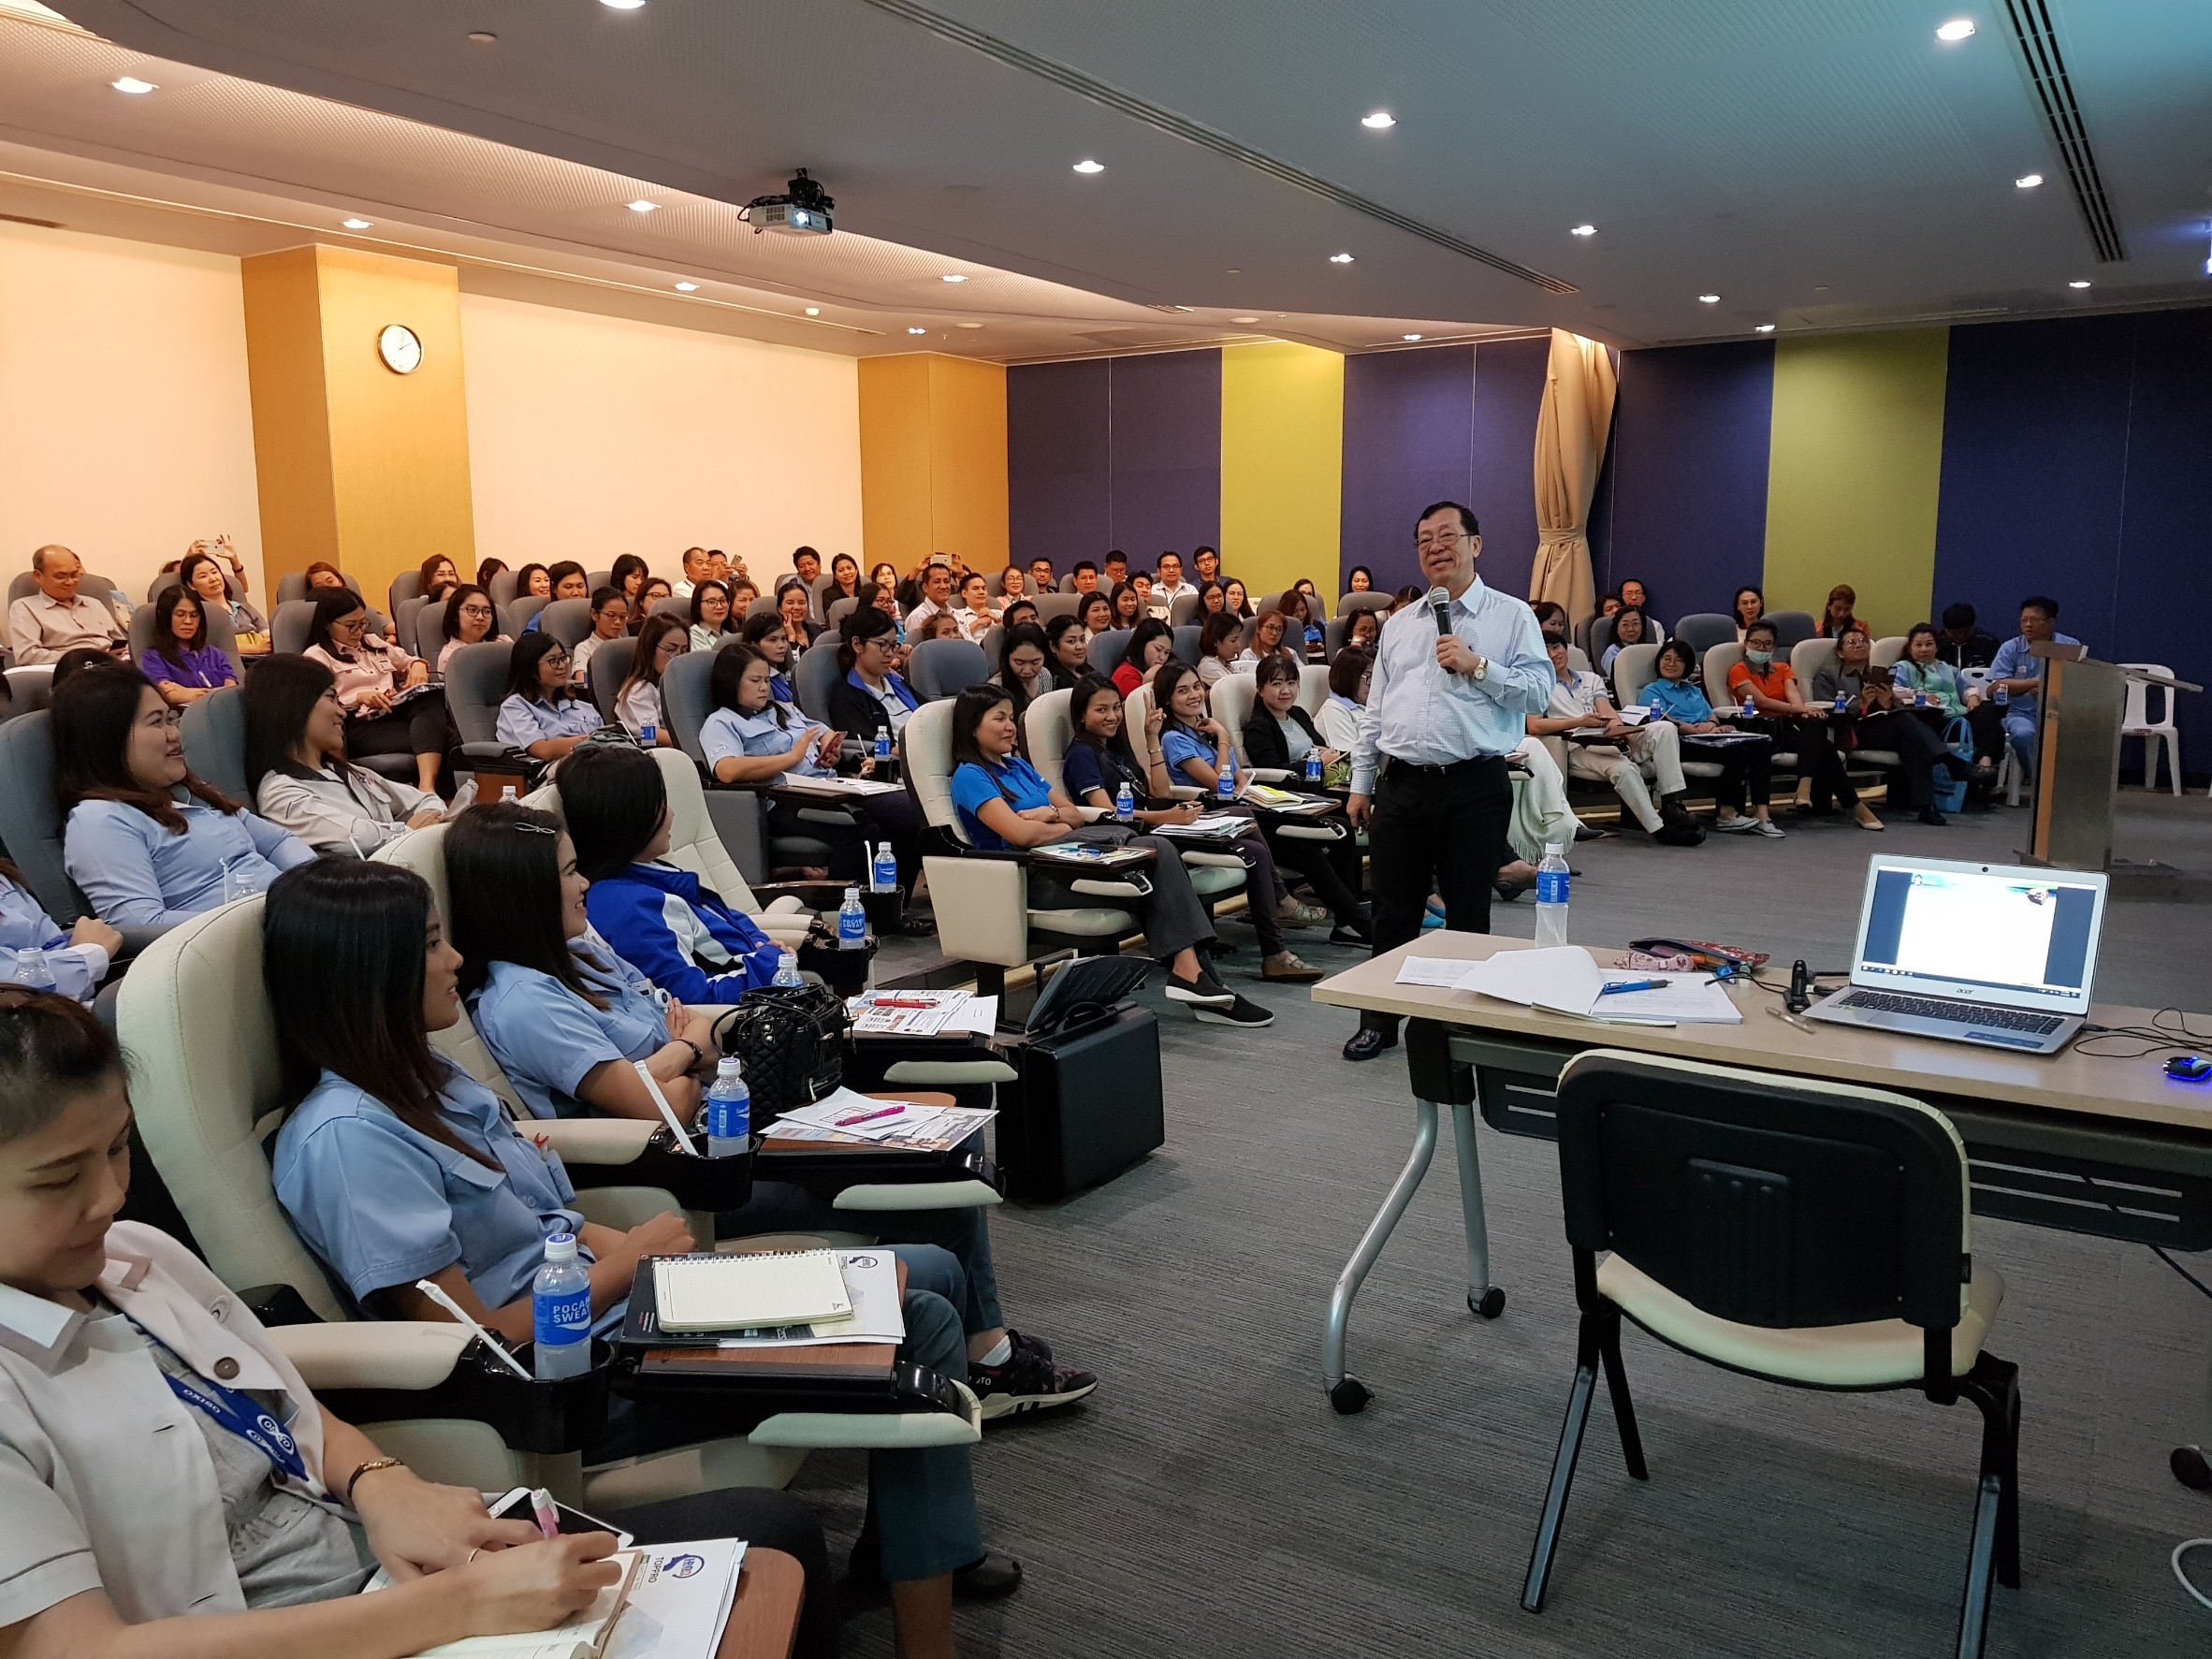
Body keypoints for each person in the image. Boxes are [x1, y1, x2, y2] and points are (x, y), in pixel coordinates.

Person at [0, 987, 842, 1659]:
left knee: (769, 1550)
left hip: (381, 1569)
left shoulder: (137, 1254)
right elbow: (80, 1647)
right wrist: (459, 1604)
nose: (108, 1195)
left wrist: (382, 1483)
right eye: (59, 1177)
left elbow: (294, 1410)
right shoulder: (346, 1136)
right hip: (305, 1626)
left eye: (116, 1151)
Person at [1344, 502, 1550, 1063]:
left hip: (1474, 784)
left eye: (1447, 536)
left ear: (1475, 545)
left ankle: (1460, 1023)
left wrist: (1478, 666)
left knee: (1466, 912)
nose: (1436, 547)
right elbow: (1375, 711)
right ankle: (1380, 1019)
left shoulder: (1510, 617)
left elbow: (1536, 693)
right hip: (1403, 784)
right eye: (1424, 539)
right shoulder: (1400, 625)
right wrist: (1362, 783)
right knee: (1393, 909)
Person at [951, 684, 1274, 1021]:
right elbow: (1019, 834)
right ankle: (1200, 984)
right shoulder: (971, 776)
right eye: (998, 718)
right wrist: (1058, 824)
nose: (1009, 726)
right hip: (1031, 876)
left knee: (1158, 859)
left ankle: (1198, 980)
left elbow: (1074, 815)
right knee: (1160, 857)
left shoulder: (1018, 768)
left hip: (1076, 859)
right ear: (973, 727)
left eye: (1010, 718)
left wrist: (1050, 817)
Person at [442, 803, 717, 1124]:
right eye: (571, 871)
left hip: (719, 1109)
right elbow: (671, 1108)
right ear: (530, 890)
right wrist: (694, 1055)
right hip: (676, 1155)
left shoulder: (583, 955)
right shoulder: (527, 1004)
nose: (585, 883)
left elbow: (707, 1031)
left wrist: (678, 1057)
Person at [55, 662, 313, 929]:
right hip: (239, 943)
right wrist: (265, 917)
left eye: (171, 719)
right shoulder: (100, 818)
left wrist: (314, 888)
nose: (175, 734)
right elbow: (137, 923)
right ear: (107, 739)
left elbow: (278, 842)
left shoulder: (189, 791)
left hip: (289, 916)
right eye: (157, 722)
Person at [559, 746, 781, 1000]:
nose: (672, 814)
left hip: (762, 987)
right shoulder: (626, 908)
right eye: (661, 805)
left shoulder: (646, 871)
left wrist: (765, 948)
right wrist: (773, 963)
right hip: (747, 1020)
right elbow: (692, 999)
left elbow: (728, 918)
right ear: (632, 818)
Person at [705, 644, 922, 891]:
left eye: (766, 679)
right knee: (863, 831)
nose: (764, 687)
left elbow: (824, 732)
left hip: (828, 787)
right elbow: (727, 770)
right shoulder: (721, 722)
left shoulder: (783, 709)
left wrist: (830, 750)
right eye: (755, 680)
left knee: (910, 813)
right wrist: (791, 757)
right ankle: (853, 913)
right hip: (785, 801)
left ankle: (895, 909)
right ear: (731, 682)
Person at [246, 655, 444, 855]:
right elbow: (358, 838)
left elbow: (425, 800)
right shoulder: (281, 792)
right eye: (331, 698)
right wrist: (410, 832)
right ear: (294, 704)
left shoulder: (349, 772)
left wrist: (427, 821)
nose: (342, 712)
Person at [1530, 633, 1703, 844]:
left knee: (1664, 728)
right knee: (1623, 768)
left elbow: (1607, 710)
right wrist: (1579, 721)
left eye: (1556, 647)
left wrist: (1619, 731)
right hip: (1576, 745)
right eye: (1545, 651)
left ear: (1565, 649)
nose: (1553, 654)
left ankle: (1671, 802)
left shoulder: (1590, 679)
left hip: (1607, 738)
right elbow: (1534, 725)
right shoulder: (1538, 685)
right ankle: (1658, 829)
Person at [1726, 618, 1877, 828]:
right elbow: (1761, 700)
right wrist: (1801, 710)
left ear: (1774, 647)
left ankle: (1806, 786)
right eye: (1756, 643)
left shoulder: (1782, 668)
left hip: (1786, 726)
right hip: (1760, 729)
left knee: (1815, 725)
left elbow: (1793, 695)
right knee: (1825, 748)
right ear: (1746, 644)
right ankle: (1854, 806)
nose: (1762, 648)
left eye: (1767, 644)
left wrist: (1804, 712)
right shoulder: (1738, 670)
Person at [1812, 624, 1962, 826]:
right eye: (1851, 642)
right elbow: (1826, 712)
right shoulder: (1828, 675)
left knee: (1909, 736)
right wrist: (1861, 704)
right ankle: (1950, 762)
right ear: (1840, 652)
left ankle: (1927, 807)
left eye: (1863, 641)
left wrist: (1888, 702)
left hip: (1883, 728)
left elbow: (1899, 708)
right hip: (1851, 731)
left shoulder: (1880, 675)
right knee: (1906, 724)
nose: (1859, 645)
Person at [301, 589, 448, 794]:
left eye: (363, 623)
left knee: (430, 699)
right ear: (327, 624)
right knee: (445, 738)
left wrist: (418, 666)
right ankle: (433, 794)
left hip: (393, 712)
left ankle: (427, 789)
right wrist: (357, 698)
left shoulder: (373, 643)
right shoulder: (317, 656)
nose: (358, 631)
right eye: (350, 626)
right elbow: (317, 704)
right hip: (355, 724)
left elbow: (409, 660)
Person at [1639, 639, 1782, 836]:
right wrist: (1695, 729)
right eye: (1667, 659)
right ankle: (1727, 813)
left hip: (1706, 737)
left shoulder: (1694, 690)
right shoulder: (1652, 690)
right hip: (1678, 742)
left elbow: (1711, 714)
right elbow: (1661, 720)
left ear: (1687, 665)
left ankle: (1762, 813)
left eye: (1678, 660)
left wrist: (1712, 725)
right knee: (1737, 751)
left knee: (1761, 745)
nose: (1671, 664)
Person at [1986, 594, 2081, 779]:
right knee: (2022, 734)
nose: (2028, 625)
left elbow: (2079, 683)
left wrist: (2050, 688)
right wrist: (2034, 683)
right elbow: (1998, 684)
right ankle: (2041, 782)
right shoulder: (2010, 648)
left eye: (2034, 620)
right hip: (2021, 713)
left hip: (2062, 712)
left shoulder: (2069, 646)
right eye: (2024, 620)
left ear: (2050, 622)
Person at [0, 862, 118, 1001]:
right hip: (32, 1015)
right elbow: (16, 990)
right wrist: (89, 952)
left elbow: (47, 941)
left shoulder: (4, 880)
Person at [9, 545, 125, 664]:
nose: (70, 582)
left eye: (75, 575)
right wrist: (88, 657)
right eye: (61, 576)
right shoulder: (24, 608)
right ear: (38, 576)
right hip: (73, 669)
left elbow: (121, 643)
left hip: (114, 666)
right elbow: (27, 657)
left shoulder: (95, 604)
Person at [493, 633, 599, 763]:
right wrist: (591, 742)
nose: (562, 666)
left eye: (563, 658)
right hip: (554, 772)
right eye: (553, 661)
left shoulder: (582, 706)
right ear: (531, 669)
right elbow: (542, 751)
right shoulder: (515, 706)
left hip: (595, 764)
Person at [139, 585, 237, 707]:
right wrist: (216, 692)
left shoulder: (216, 654)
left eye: (194, 615)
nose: (188, 621)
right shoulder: (153, 657)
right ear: (165, 617)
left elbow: (231, 689)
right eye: (180, 615)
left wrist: (188, 692)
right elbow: (169, 694)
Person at [610, 612, 687, 746]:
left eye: (684, 650)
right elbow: (651, 734)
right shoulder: (638, 690)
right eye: (671, 650)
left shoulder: (680, 686)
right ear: (650, 649)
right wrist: (694, 741)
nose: (678, 657)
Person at [179, 544, 269, 652]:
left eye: (214, 572)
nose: (213, 578)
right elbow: (211, 645)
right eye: (203, 576)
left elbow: (267, 634)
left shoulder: (245, 608)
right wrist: (255, 649)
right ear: (191, 585)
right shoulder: (199, 614)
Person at [993, 621, 1051, 741]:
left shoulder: (1045, 675)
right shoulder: (996, 687)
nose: (1027, 670)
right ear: (1007, 658)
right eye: (1019, 662)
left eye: (1035, 662)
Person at [435, 585, 508, 673]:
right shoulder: (450, 658)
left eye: (487, 611)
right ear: (455, 614)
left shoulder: (504, 643)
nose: (480, 617)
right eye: (472, 610)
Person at [568, 589, 628, 685]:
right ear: (594, 615)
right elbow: (583, 684)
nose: (618, 622)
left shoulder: (629, 647)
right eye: (611, 615)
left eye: (622, 617)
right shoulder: (585, 649)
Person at [1318, 647, 1369, 752]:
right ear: (1349, 677)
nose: (1374, 684)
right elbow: (1349, 756)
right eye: (1369, 677)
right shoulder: (1333, 710)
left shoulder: (1370, 705)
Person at [1111, 618, 1173, 697]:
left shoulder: (1168, 665)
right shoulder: (1125, 676)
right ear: (1142, 645)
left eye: (1167, 652)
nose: (1162, 657)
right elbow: (1138, 708)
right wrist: (1147, 685)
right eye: (1158, 649)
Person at [1937, 601, 2001, 671]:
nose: (1961, 636)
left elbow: (1996, 673)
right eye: (1955, 633)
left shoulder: (1989, 642)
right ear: (1946, 630)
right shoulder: (1936, 643)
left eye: (1967, 632)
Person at [1232, 606, 1297, 675]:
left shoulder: (1291, 653)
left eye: (1279, 629)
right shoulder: (1249, 655)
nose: (1275, 633)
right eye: (1271, 628)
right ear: (1259, 629)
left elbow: (1303, 675)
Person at [686, 578, 736, 653]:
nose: (719, 606)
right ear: (698, 606)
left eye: (723, 601)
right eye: (711, 602)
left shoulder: (730, 636)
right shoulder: (693, 635)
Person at [1599, 604, 1653, 673]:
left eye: (1635, 623)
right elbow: (1617, 678)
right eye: (1625, 625)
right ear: (1616, 629)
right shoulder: (1613, 651)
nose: (1631, 629)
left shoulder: (1649, 650)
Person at [905, 562, 956, 634]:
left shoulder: (958, 615)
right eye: (937, 582)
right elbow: (918, 645)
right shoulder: (917, 617)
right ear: (925, 587)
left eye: (946, 581)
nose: (944, 586)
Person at [1197, 611, 1244, 688]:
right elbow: (1235, 691)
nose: (1238, 645)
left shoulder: (1226, 664)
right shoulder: (1208, 667)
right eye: (1233, 640)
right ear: (1216, 642)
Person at [1044, 613, 1089, 688]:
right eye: (1071, 641)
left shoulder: (1088, 670)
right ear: (1053, 646)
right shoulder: (1053, 682)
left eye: (1082, 640)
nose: (1080, 646)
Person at [777, 578, 823, 648]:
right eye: (790, 603)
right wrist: (791, 637)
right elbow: (788, 659)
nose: (797, 607)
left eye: (802, 603)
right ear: (780, 609)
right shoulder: (775, 637)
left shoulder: (817, 630)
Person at [1151, 552, 1193, 616]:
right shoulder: (1152, 591)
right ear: (1159, 571)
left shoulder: (1190, 590)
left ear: (1181, 570)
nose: (1171, 570)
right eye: (1166, 566)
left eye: (1175, 566)